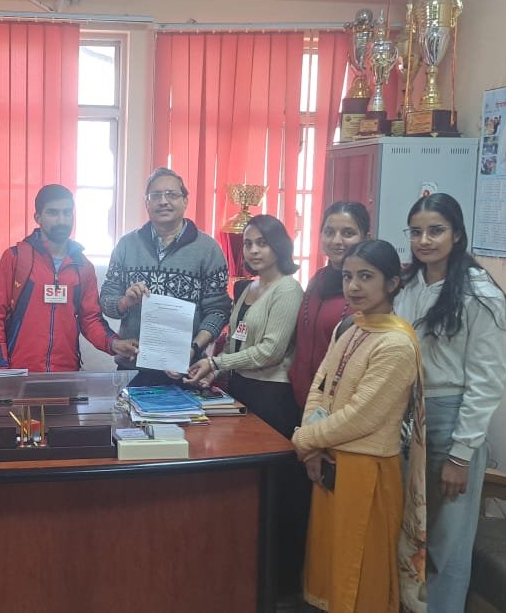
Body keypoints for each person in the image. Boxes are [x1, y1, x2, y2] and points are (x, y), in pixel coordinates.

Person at [293, 239, 427, 613]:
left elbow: (361, 416)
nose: (353, 286)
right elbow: (320, 387)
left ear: (392, 283)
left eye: (366, 277)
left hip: (366, 471)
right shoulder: (351, 328)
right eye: (348, 276)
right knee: (329, 569)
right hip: (329, 463)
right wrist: (311, 447)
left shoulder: (396, 343)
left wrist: (303, 439)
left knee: (360, 574)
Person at [182, 214, 306, 596]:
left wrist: (217, 364)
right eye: (249, 243)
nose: (253, 250)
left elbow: (270, 351)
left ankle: (279, 582)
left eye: (262, 243)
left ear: (279, 246)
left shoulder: (287, 290)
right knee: (246, 488)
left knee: (273, 490)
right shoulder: (249, 287)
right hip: (242, 391)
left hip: (272, 396)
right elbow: (234, 341)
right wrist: (211, 369)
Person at [396, 193, 506, 613]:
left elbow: (487, 380)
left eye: (436, 231)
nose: (424, 240)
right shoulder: (408, 284)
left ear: (457, 235)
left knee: (447, 542)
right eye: (416, 232)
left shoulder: (480, 293)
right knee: (408, 531)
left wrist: (461, 455)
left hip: (451, 421)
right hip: (407, 416)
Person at [0, 184, 138, 372]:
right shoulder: (16, 258)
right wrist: (0, 369)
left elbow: (90, 319)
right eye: (53, 213)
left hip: (66, 374)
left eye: (67, 213)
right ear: (38, 217)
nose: (61, 220)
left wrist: (114, 343)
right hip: (18, 372)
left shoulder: (83, 266)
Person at [99, 167, 231, 386]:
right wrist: (125, 301)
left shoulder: (208, 249)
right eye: (156, 195)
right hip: (132, 367)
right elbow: (106, 301)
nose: (163, 201)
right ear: (146, 202)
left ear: (185, 201)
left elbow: (219, 311)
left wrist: (193, 348)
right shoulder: (126, 245)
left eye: (171, 194)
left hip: (186, 370)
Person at [289, 202, 371, 411]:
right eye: (329, 232)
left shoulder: (368, 289)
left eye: (348, 233)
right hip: (300, 399)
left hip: (342, 403)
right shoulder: (317, 279)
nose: (336, 241)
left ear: (365, 237)